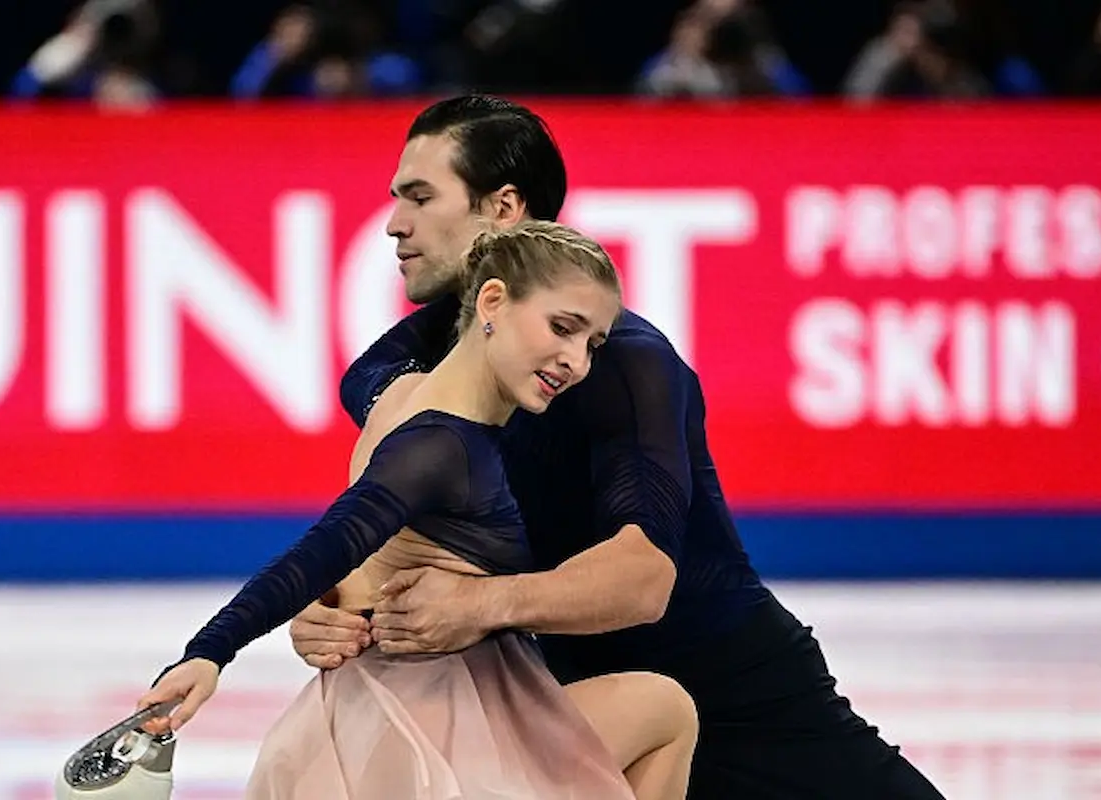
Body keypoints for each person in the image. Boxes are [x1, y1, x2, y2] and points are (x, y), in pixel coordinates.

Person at [291, 94, 948, 799]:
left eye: (420, 197)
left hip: (739, 696)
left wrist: (478, 605)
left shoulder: (628, 367)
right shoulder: (386, 373)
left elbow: (644, 580)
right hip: (569, 707)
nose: (394, 224)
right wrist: (328, 604)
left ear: (504, 206)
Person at [136, 221, 699, 799]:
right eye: (562, 328)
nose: (576, 361)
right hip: (425, 732)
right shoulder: (441, 446)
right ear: (493, 301)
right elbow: (333, 542)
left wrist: (337, 601)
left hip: (394, 711)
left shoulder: (402, 398)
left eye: (593, 345)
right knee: (664, 713)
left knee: (660, 710)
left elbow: (361, 557)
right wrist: (210, 651)